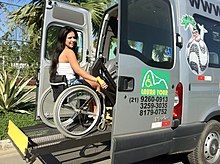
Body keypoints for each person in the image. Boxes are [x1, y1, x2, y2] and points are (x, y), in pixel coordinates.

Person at [50, 26, 108, 91]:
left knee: (88, 81)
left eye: (74, 38)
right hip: (71, 83)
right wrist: (97, 79)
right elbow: (78, 71)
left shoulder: (61, 52)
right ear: (63, 39)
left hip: (64, 83)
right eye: (70, 38)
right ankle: (97, 100)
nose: (73, 40)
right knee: (97, 85)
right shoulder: (69, 52)